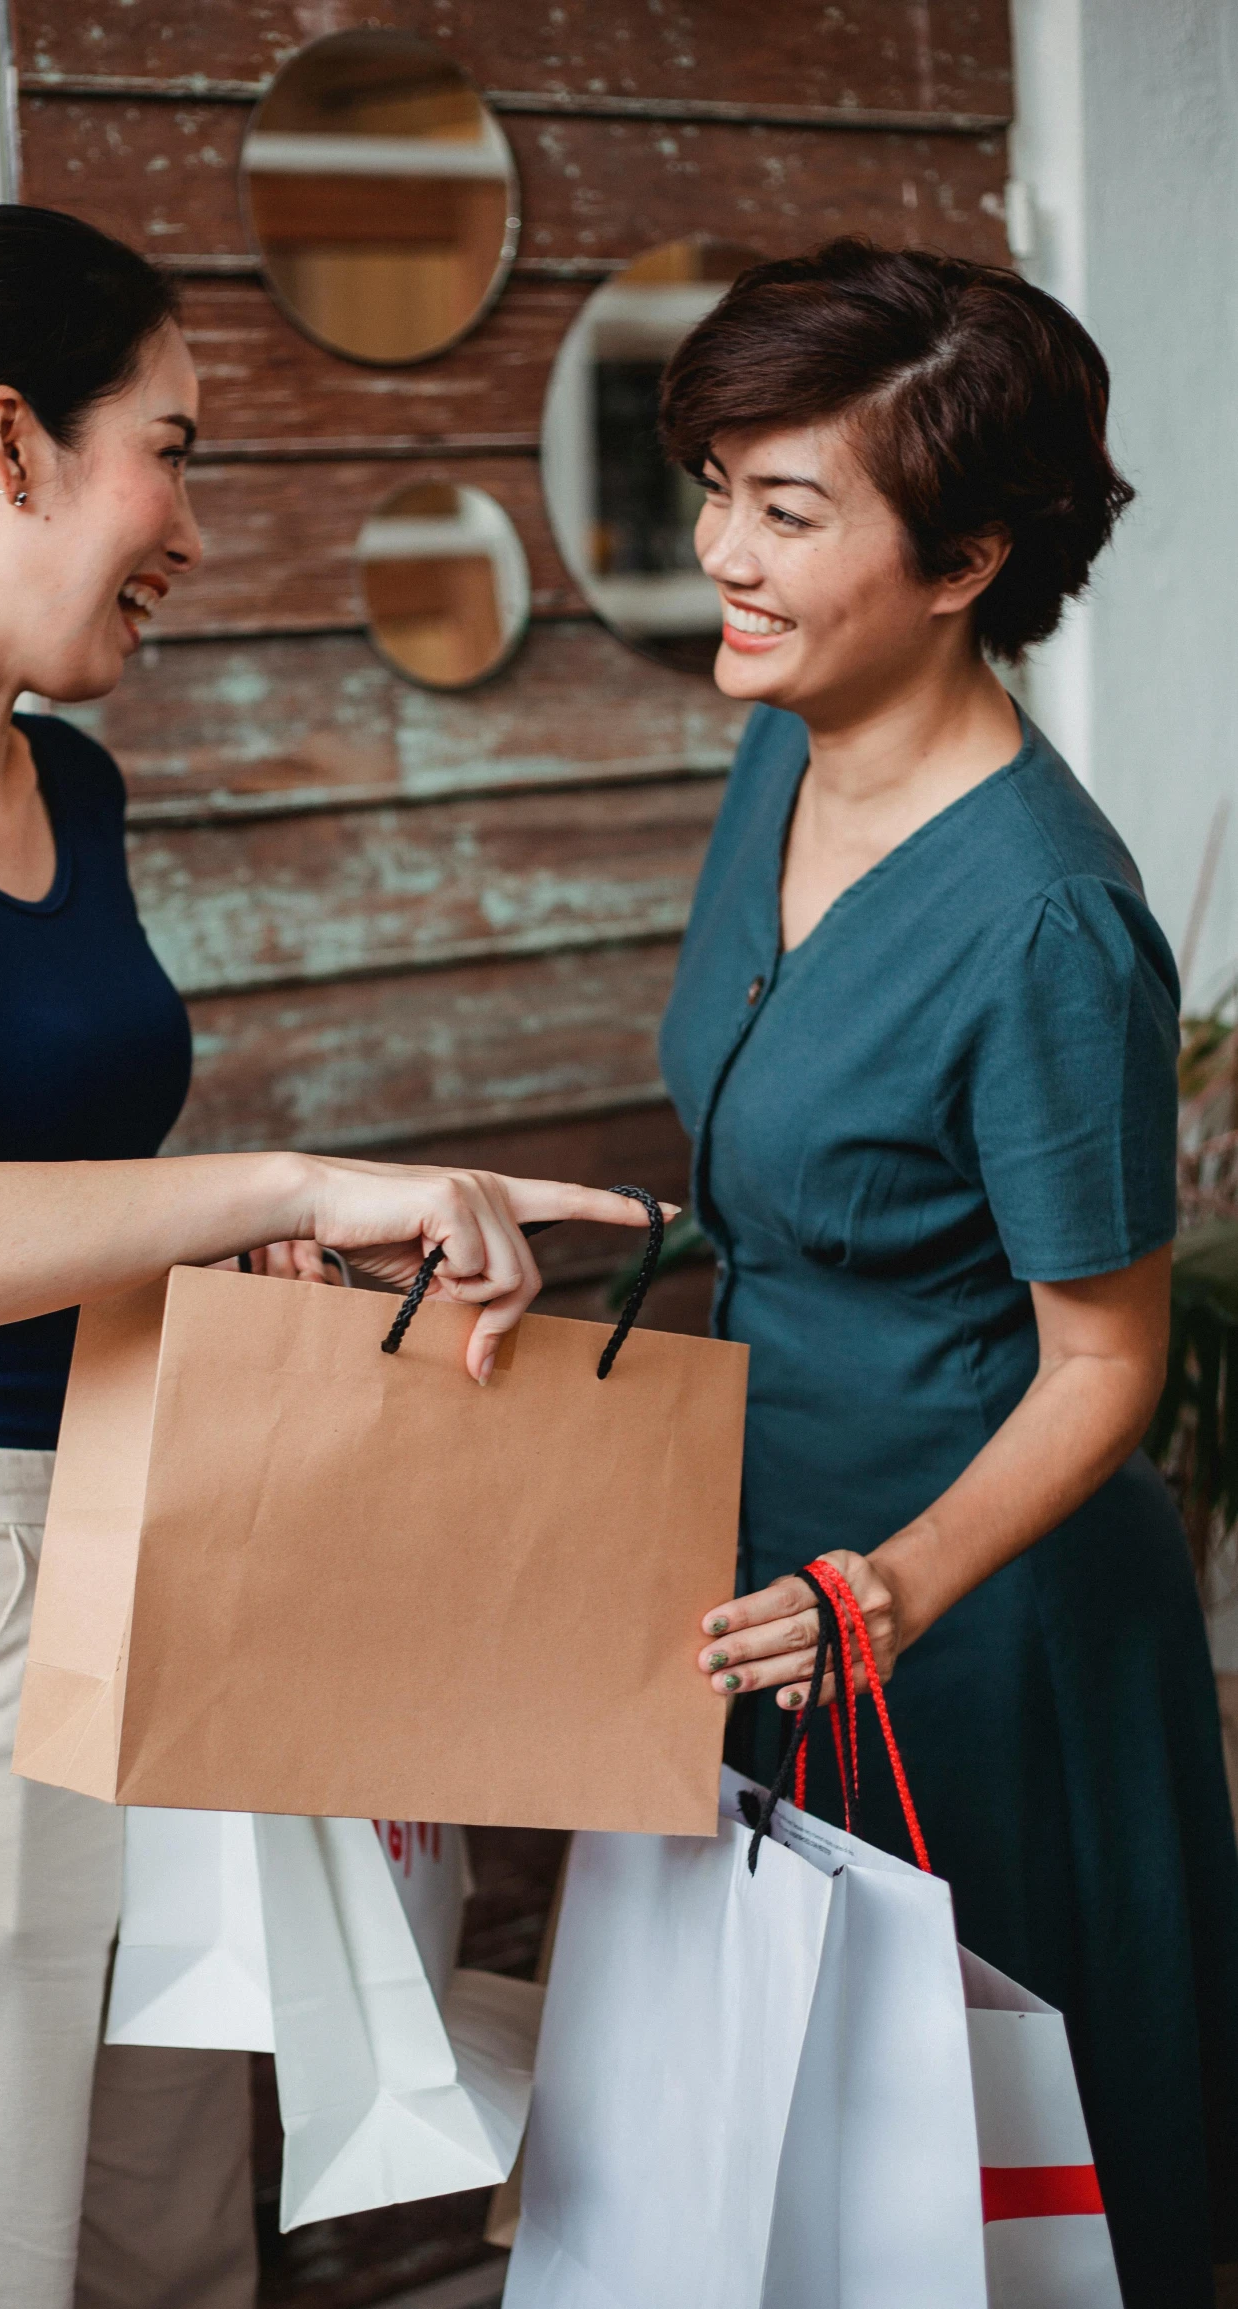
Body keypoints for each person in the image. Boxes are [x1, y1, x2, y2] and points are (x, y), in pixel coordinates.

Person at [0, 203, 657, 2309]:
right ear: (9, 444)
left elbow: (59, 1198)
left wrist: (275, 1279)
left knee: (176, 2237)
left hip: (161, 1549)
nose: (195, 526)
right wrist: (288, 1187)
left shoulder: (76, 788)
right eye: (178, 448)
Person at [657, 238, 1238, 2307]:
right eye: (714, 483)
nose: (720, 546)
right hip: (770, 1601)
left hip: (970, 1634)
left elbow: (1106, 1363)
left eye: (785, 508)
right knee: (794, 2203)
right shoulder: (775, 752)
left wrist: (889, 1585)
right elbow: (800, 1173)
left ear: (960, 557)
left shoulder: (1047, 924)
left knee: (989, 2207)